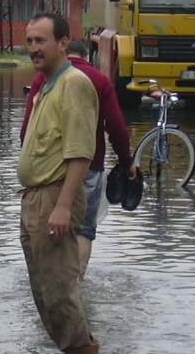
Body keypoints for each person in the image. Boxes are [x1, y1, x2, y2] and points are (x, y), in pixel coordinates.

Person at [19, 13, 100, 354]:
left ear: (64, 43)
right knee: (43, 291)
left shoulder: (73, 84)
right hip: (36, 197)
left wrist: (63, 206)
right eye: (30, 41)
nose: (34, 48)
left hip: (55, 197)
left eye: (41, 40)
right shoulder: (47, 83)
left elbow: (81, 151)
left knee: (58, 292)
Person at [21, 40, 137, 279]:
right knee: (84, 230)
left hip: (48, 173)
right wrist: (126, 162)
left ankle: (52, 283)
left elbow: (27, 130)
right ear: (87, 55)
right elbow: (117, 128)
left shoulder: (44, 79)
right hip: (89, 168)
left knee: (47, 229)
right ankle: (77, 283)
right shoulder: (99, 80)